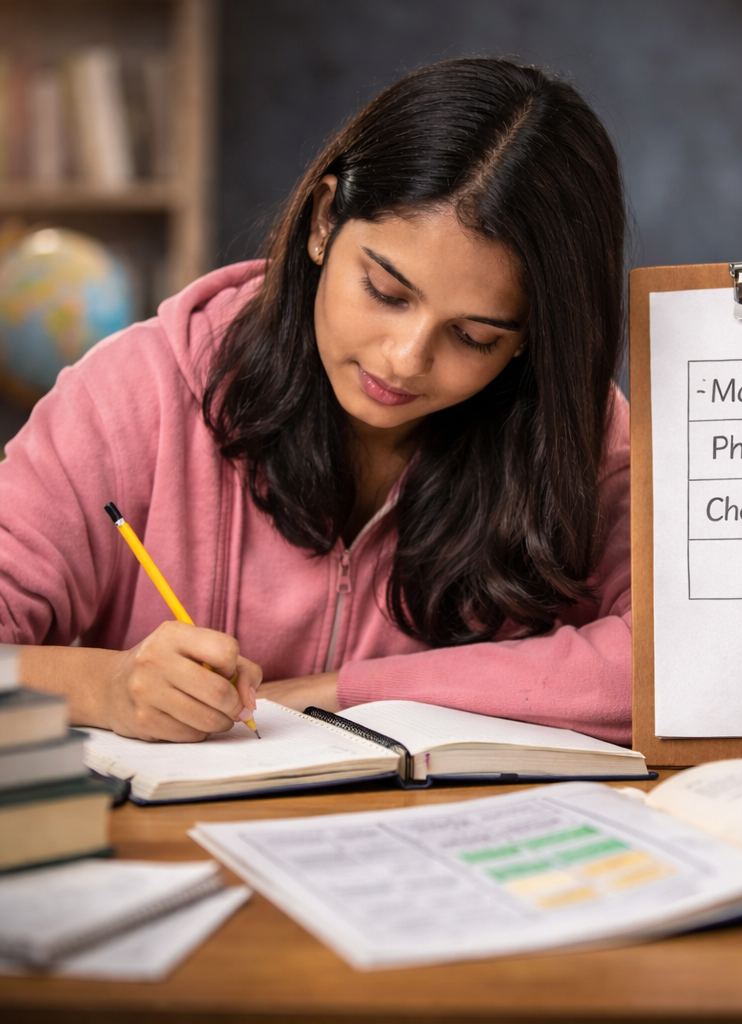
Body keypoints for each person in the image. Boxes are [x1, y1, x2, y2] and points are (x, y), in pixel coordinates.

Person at [0, 58, 631, 745]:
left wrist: (339, 696)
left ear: (530, 339)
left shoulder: (579, 436)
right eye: (386, 293)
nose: (406, 358)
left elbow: (670, 667)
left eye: (474, 336)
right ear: (326, 221)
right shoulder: (134, 393)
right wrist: (108, 688)